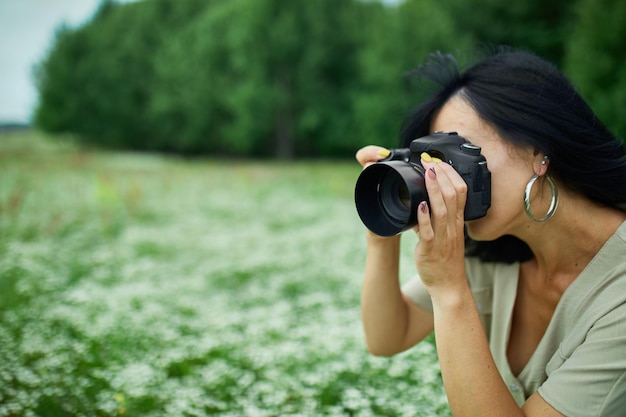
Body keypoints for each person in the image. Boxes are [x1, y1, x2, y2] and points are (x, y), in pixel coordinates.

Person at [356, 49, 626, 417]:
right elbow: (387, 335)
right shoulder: (494, 249)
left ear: (538, 149)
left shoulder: (618, 293)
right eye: (431, 162)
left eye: (457, 154)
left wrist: (450, 290)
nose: (445, 181)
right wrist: (385, 225)